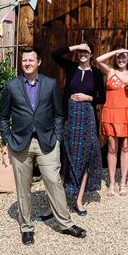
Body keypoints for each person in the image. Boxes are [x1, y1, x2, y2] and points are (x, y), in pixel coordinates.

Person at [0, 46, 86, 245]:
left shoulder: (50, 84)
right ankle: (26, 227)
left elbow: (58, 114)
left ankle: (66, 224)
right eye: (24, 61)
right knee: (23, 187)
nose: (27, 63)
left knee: (54, 182)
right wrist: (7, 138)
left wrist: (57, 138)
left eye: (31, 60)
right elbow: (3, 117)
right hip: (20, 144)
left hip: (47, 142)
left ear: (38, 62)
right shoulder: (11, 86)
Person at [51, 42, 105, 216]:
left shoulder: (95, 73)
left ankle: (79, 200)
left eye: (86, 52)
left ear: (91, 55)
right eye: (80, 52)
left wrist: (88, 97)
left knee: (87, 154)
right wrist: (74, 47)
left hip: (88, 119)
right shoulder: (71, 67)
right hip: (70, 118)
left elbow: (102, 98)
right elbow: (55, 54)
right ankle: (58, 202)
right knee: (66, 156)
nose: (83, 54)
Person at [96, 48, 128, 196]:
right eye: (119, 57)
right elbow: (98, 60)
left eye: (124, 57)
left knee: (125, 147)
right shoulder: (110, 71)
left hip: (127, 112)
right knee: (112, 147)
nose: (121, 60)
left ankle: (122, 182)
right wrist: (118, 50)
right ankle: (111, 183)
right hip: (111, 111)